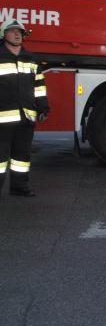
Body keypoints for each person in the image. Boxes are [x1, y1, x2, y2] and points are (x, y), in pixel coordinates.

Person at [0, 21, 48, 198]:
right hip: (2, 119)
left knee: (22, 157)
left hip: (26, 117)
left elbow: (39, 86)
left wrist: (43, 107)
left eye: (19, 32)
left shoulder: (31, 59)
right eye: (12, 31)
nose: (17, 34)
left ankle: (19, 186)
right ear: (3, 35)